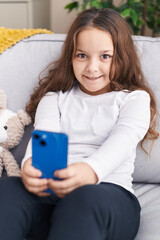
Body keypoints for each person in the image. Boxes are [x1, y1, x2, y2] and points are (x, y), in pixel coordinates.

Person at [0, 7, 159, 240]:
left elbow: (122, 141)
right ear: (71, 57)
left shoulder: (134, 99)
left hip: (105, 197)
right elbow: (44, 136)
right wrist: (30, 166)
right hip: (51, 196)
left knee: (84, 198)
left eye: (105, 56)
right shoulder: (54, 98)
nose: (92, 68)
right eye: (82, 55)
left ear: (121, 57)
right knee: (7, 189)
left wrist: (89, 171)